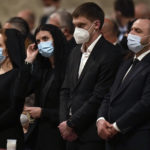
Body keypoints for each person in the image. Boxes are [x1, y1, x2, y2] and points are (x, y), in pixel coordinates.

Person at [58, 2, 122, 150]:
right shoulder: (74, 52)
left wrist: (72, 124)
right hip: (68, 134)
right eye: (75, 25)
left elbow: (99, 96)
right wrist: (64, 123)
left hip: (90, 134)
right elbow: (65, 90)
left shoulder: (110, 54)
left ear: (97, 24)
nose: (77, 30)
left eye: (81, 25)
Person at [97, 18, 150, 150]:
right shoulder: (126, 62)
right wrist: (101, 119)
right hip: (112, 140)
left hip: (136, 138)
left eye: (137, 31)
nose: (131, 34)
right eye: (130, 30)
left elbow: (146, 103)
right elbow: (110, 95)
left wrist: (116, 126)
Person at [16, 24, 67, 150]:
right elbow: (22, 90)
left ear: (56, 39)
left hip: (59, 134)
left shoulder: (67, 67)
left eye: (45, 39)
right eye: (38, 41)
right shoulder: (43, 69)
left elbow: (69, 106)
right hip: (39, 133)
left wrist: (43, 112)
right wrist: (28, 61)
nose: (42, 43)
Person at [0, 28, 25, 150]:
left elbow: (15, 108)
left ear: (9, 49)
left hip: (7, 134)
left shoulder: (17, 74)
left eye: (0, 45)